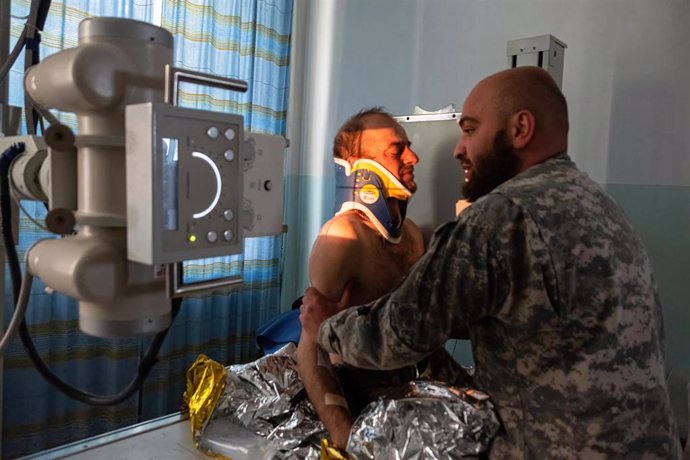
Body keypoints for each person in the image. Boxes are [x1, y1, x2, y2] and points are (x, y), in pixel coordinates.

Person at [300, 67, 683, 458]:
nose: (457, 148)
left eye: (469, 129)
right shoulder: (600, 205)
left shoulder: (498, 217)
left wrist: (325, 325)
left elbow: (401, 331)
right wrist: (343, 429)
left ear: (520, 129)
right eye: (398, 150)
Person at [296, 107, 468, 450]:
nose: (413, 157)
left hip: (415, 377)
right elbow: (310, 347)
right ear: (358, 167)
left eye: (408, 146)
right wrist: (341, 430)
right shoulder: (341, 239)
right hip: (362, 388)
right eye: (396, 151)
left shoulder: (412, 234)